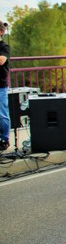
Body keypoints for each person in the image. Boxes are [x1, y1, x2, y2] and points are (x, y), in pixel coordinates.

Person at [0, 21, 10, 151]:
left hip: (1, 85)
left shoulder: (4, 46)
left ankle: (5, 139)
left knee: (2, 114)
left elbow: (1, 60)